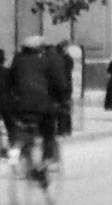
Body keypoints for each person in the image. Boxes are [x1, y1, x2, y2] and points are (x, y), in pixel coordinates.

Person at [10, 34, 70, 171]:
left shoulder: (17, 61)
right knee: (48, 130)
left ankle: (15, 155)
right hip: (41, 105)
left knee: (21, 129)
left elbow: (11, 81)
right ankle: (46, 159)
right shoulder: (46, 61)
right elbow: (59, 83)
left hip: (19, 105)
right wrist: (64, 101)